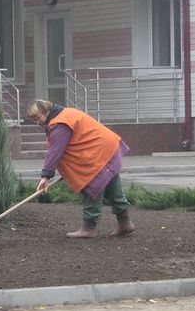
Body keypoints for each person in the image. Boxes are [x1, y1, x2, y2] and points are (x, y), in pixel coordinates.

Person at [28, 99, 134, 239]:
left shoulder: (59, 124)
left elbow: (55, 151)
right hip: (106, 149)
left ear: (46, 111)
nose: (38, 122)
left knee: (91, 186)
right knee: (112, 186)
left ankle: (88, 229)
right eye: (34, 120)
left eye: (38, 117)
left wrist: (46, 176)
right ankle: (125, 223)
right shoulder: (65, 114)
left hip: (96, 154)